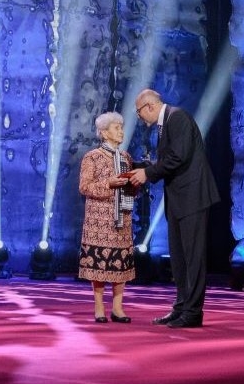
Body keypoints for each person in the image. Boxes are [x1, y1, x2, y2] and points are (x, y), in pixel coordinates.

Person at [128, 89, 219, 328]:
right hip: (178, 200)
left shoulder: (177, 117)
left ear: (149, 106)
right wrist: (139, 167)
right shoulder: (165, 123)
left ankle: (193, 312)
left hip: (193, 198)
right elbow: (167, 160)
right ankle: (180, 307)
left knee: (193, 258)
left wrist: (148, 173)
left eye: (138, 112)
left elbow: (178, 157)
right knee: (178, 259)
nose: (139, 118)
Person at [78, 112, 137, 324]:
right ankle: (99, 307)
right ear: (104, 133)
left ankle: (118, 308)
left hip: (123, 217)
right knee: (99, 265)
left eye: (121, 127)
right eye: (116, 128)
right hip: (99, 220)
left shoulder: (126, 157)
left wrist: (134, 185)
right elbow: (84, 187)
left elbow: (130, 189)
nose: (121, 131)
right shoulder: (92, 157)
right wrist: (108, 184)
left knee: (120, 263)